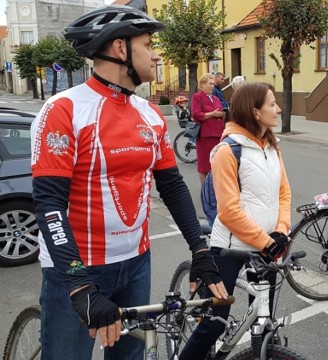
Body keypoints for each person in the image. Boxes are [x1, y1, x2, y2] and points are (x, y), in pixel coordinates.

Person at [30, 5, 226, 360]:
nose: (155, 55)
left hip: (136, 263)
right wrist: (78, 283)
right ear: (120, 49)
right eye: (148, 44)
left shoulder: (149, 113)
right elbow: (49, 205)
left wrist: (199, 250)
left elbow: (172, 186)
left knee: (130, 358)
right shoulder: (64, 110)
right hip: (76, 268)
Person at [179, 82, 291, 359]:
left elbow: (284, 194)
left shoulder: (272, 149)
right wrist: (267, 241)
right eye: (272, 104)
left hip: (267, 247)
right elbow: (228, 211)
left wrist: (280, 232)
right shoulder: (229, 151)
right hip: (229, 247)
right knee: (214, 324)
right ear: (255, 112)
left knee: (264, 323)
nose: (278, 109)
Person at [191, 73, 226, 184]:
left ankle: (215, 189)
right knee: (204, 165)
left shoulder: (215, 98)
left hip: (218, 134)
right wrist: (212, 114)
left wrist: (223, 114)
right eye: (209, 84)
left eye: (213, 84)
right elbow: (196, 115)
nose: (212, 86)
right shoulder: (197, 97)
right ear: (202, 84)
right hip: (205, 136)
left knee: (216, 164)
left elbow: (219, 111)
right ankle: (205, 190)